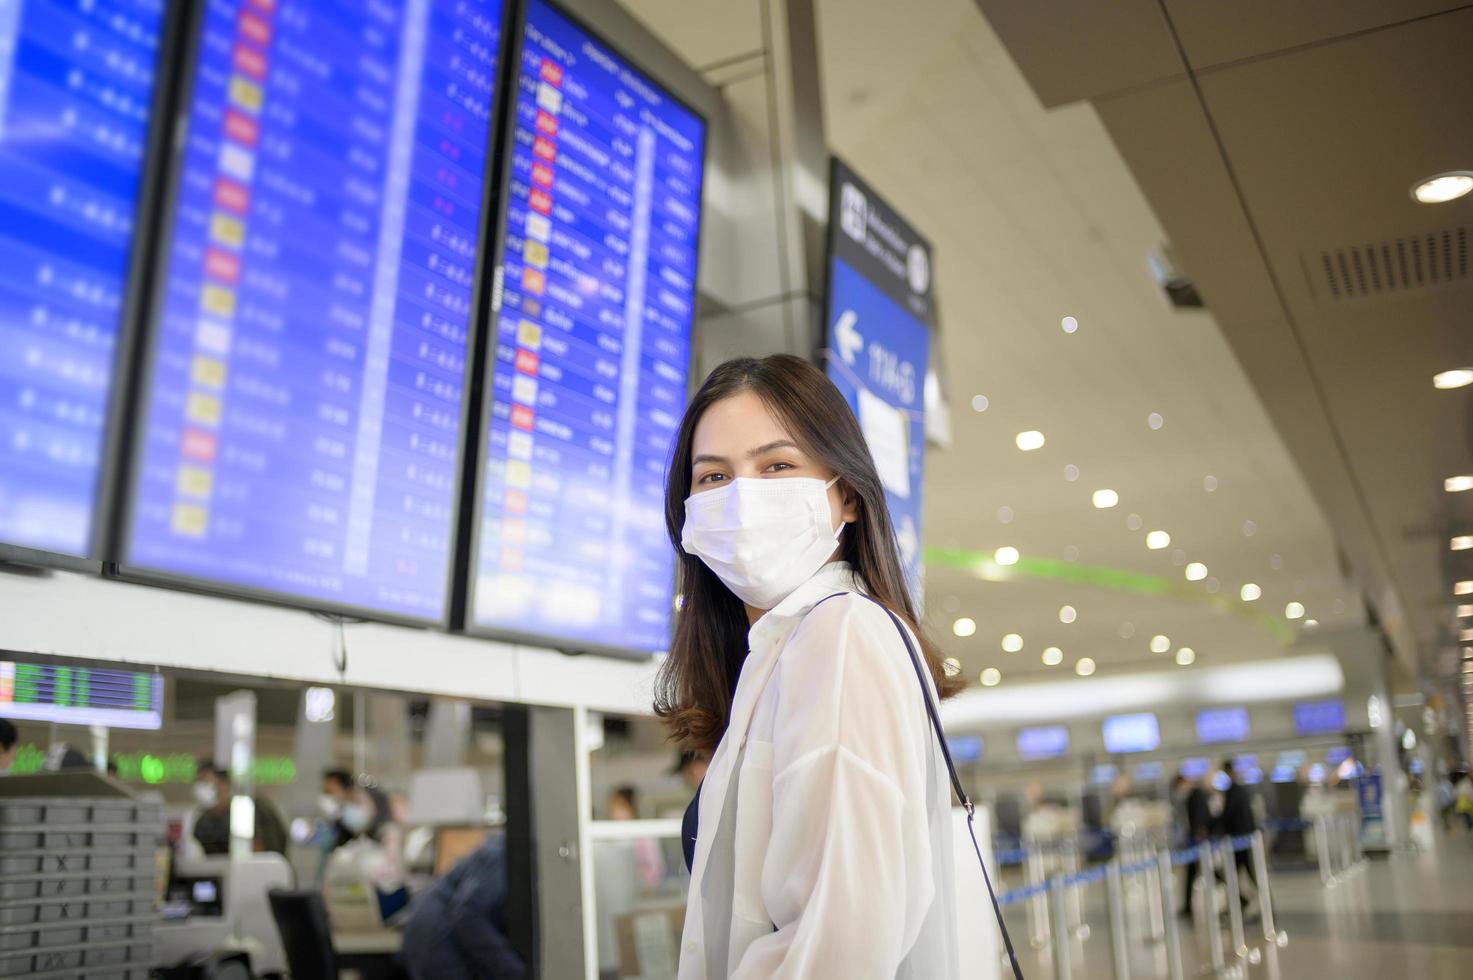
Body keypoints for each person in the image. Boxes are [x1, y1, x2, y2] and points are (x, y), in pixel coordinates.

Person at [654, 355, 964, 978]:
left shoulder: (840, 633)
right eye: (713, 477)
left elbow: (839, 943)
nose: (743, 498)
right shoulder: (785, 649)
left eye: (777, 466)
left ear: (846, 495)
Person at [400, 833, 524, 980]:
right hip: (440, 934)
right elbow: (468, 914)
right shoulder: (507, 853)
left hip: (433, 927)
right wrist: (514, 971)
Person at [1214, 759, 1259, 911]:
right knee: (1236, 874)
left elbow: (1227, 814)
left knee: (1231, 874)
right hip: (1244, 839)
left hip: (1238, 840)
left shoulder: (1233, 791)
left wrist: (1212, 825)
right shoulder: (1242, 789)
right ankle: (1241, 903)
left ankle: (1241, 903)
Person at [1178, 771, 1215, 918]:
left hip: (1197, 842)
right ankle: (1187, 907)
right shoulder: (1195, 795)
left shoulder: (1196, 795)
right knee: (1199, 873)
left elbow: (1199, 817)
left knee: (1207, 872)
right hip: (1196, 842)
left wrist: (1196, 835)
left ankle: (1187, 907)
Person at [192, 762, 233, 856]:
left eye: (207, 782)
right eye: (199, 782)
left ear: (225, 784)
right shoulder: (202, 822)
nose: (202, 788)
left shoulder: (246, 814)